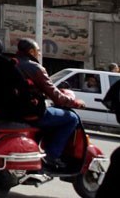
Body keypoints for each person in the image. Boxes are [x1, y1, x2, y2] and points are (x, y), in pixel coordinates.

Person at [15, 38, 86, 171]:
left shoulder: (10, 64)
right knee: (72, 118)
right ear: (31, 51)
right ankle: (52, 156)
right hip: (31, 112)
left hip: (12, 112)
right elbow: (54, 94)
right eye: (38, 51)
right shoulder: (35, 68)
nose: (39, 54)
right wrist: (75, 102)